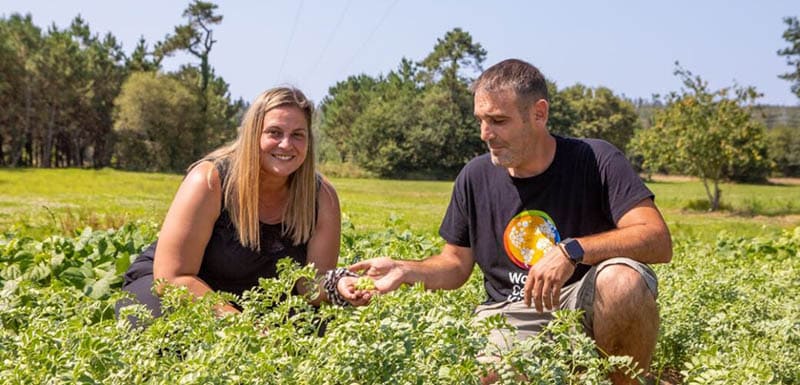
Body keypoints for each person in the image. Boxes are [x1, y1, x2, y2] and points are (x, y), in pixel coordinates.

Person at [347, 59, 672, 385]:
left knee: (623, 282)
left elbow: (656, 238)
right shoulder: (475, 177)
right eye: (481, 120)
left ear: (539, 114)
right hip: (512, 311)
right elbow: (455, 264)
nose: (486, 134)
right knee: (493, 373)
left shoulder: (595, 160)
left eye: (499, 121)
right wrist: (406, 270)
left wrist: (572, 250)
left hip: (586, 301)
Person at [118, 86, 364, 321]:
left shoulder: (321, 196)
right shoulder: (210, 180)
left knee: (318, 327)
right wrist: (243, 328)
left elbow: (308, 286)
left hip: (253, 299)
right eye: (274, 133)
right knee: (169, 331)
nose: (286, 145)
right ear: (253, 134)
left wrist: (336, 285)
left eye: (297, 135)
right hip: (176, 287)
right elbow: (173, 278)